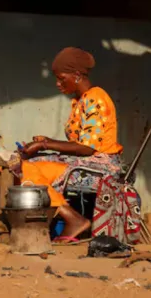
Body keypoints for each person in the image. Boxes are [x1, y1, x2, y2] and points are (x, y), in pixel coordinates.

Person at [13, 47, 123, 243]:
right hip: (84, 161)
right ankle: (63, 218)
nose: (58, 83)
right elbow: (79, 145)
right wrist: (44, 143)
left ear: (77, 75)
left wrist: (46, 144)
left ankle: (72, 219)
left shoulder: (95, 99)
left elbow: (87, 148)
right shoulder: (79, 101)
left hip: (101, 166)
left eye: (62, 78)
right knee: (22, 164)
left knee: (25, 168)